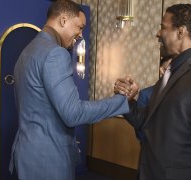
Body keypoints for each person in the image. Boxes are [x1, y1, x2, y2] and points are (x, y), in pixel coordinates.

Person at [9, 1, 133, 179]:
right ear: (63, 20)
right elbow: (73, 113)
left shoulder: (27, 51)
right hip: (48, 158)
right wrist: (121, 100)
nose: (81, 35)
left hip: (27, 153)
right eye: (80, 27)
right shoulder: (55, 54)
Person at [115, 3, 191, 180]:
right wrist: (128, 99)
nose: (158, 33)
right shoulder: (171, 72)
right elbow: (146, 122)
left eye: (163, 27)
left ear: (180, 32)